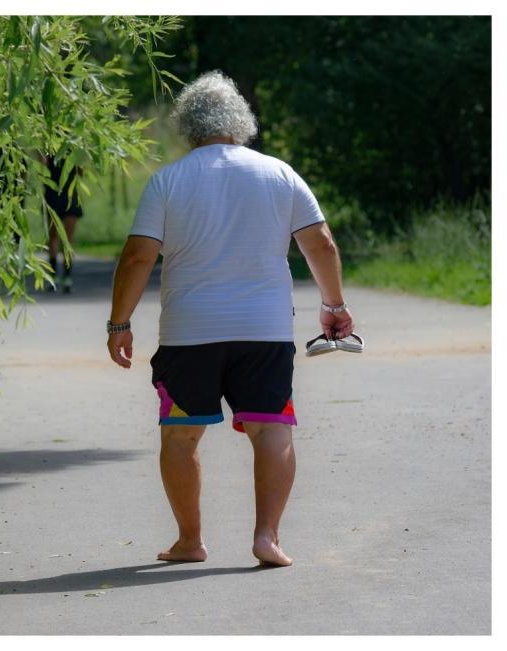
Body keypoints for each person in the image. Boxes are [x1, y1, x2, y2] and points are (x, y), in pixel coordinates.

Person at [107, 71, 354, 567]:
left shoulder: (169, 180)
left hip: (189, 334)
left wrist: (120, 322)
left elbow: (138, 256)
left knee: (181, 435)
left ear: (187, 125)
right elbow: (320, 244)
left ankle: (190, 540)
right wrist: (333, 304)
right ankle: (268, 538)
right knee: (273, 430)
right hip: (264, 332)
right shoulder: (280, 174)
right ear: (240, 121)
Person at [43, 155, 83, 293]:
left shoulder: (51, 147)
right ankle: (61, 276)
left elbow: (43, 169)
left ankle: (60, 276)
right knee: (61, 238)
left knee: (59, 238)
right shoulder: (73, 148)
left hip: (61, 196)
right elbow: (81, 172)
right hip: (62, 195)